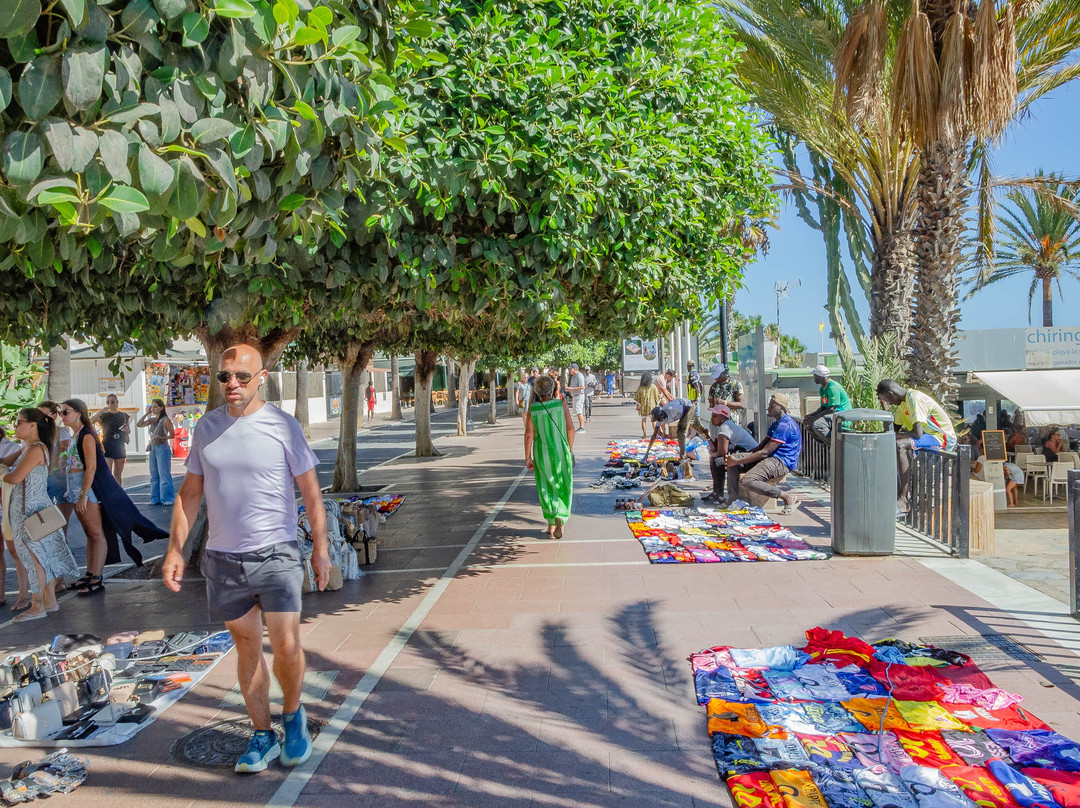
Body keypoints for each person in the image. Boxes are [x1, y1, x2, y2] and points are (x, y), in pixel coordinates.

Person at [162, 344, 330, 774]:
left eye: (241, 376)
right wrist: (175, 549)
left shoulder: (282, 425)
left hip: (276, 553)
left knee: (287, 646)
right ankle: (261, 734)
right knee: (247, 647)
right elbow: (191, 493)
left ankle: (293, 716)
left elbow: (311, 493)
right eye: (225, 377)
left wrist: (321, 548)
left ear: (262, 377)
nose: (232, 384)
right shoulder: (206, 428)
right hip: (223, 559)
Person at [61, 399, 168, 593]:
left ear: (78, 413)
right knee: (89, 533)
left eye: (65, 412)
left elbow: (91, 467)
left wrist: (84, 494)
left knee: (96, 533)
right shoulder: (75, 434)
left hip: (89, 490)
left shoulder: (86, 435)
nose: (62, 416)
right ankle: (89, 574)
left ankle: (97, 578)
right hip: (77, 489)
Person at [2, 409, 80, 621]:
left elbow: (15, 478)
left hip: (28, 512)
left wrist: (4, 476)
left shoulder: (35, 449)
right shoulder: (30, 448)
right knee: (42, 556)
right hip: (35, 510)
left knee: (33, 558)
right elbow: (8, 464)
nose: (15, 426)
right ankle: (49, 601)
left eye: (19, 422)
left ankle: (38, 605)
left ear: (33, 425)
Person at [875, 379, 957, 516]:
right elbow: (892, 431)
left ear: (891, 393)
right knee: (892, 442)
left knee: (900, 445)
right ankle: (896, 494)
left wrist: (897, 436)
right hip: (928, 436)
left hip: (943, 437)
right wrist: (885, 409)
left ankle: (903, 498)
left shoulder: (914, 398)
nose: (888, 402)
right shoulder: (902, 405)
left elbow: (917, 433)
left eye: (887, 399)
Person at [725, 393, 802, 513]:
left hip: (781, 462)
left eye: (772, 406)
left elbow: (765, 452)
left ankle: (787, 497)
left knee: (747, 481)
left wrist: (739, 460)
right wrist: (738, 458)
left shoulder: (785, 425)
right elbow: (760, 447)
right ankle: (733, 499)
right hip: (771, 458)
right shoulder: (776, 424)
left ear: (781, 407)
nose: (768, 408)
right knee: (733, 461)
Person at [524, 374, 574, 539]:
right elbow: (570, 430)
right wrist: (570, 450)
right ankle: (561, 517)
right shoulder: (561, 404)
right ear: (552, 389)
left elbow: (529, 435)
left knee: (546, 487)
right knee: (562, 486)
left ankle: (551, 525)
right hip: (561, 452)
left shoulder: (534, 410)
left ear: (537, 392)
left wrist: (528, 457)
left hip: (542, 454)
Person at [702, 404, 758, 506]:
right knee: (715, 460)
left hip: (750, 458)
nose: (711, 418)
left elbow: (721, 452)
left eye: (715, 416)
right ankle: (717, 493)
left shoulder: (725, 427)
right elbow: (716, 448)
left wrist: (712, 454)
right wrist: (707, 436)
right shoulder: (724, 426)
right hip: (744, 456)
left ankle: (719, 495)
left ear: (723, 417)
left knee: (717, 461)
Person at [137, 398, 176, 505]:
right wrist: (147, 413)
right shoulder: (152, 420)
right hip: (153, 448)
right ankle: (155, 498)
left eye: (155, 407)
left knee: (164, 474)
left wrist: (163, 437)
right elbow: (139, 424)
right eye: (152, 407)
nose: (153, 409)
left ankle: (167, 498)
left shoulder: (165, 420)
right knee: (154, 474)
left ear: (161, 408)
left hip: (162, 448)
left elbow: (172, 434)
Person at [91, 395, 131, 485]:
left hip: (119, 445)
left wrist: (126, 430)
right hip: (107, 444)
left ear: (117, 403)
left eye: (112, 402)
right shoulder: (104, 416)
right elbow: (90, 422)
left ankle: (118, 493)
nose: (110, 404)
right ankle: (109, 493)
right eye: (108, 402)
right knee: (107, 473)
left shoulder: (124, 416)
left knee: (118, 474)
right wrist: (101, 412)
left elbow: (129, 431)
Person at [804, 365, 852, 439]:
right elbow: (823, 408)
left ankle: (834, 444)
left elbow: (832, 409)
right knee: (808, 424)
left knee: (817, 424)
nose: (814, 378)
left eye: (815, 375)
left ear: (820, 376)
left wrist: (814, 418)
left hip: (841, 415)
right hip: (832, 415)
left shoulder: (832, 387)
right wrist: (810, 416)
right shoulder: (822, 389)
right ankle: (825, 443)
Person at [634, 372, 662, 439]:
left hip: (643, 406)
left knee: (644, 420)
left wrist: (637, 406)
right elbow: (657, 396)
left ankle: (644, 435)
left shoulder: (640, 387)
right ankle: (655, 435)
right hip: (652, 406)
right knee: (653, 421)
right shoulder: (653, 386)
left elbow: (637, 397)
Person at [565, 363, 586, 433]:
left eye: (571, 369)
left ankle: (582, 427)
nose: (569, 370)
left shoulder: (579, 376)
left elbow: (582, 387)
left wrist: (572, 389)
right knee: (577, 412)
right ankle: (581, 426)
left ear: (575, 369)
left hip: (579, 395)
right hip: (575, 395)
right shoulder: (573, 376)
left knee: (579, 411)